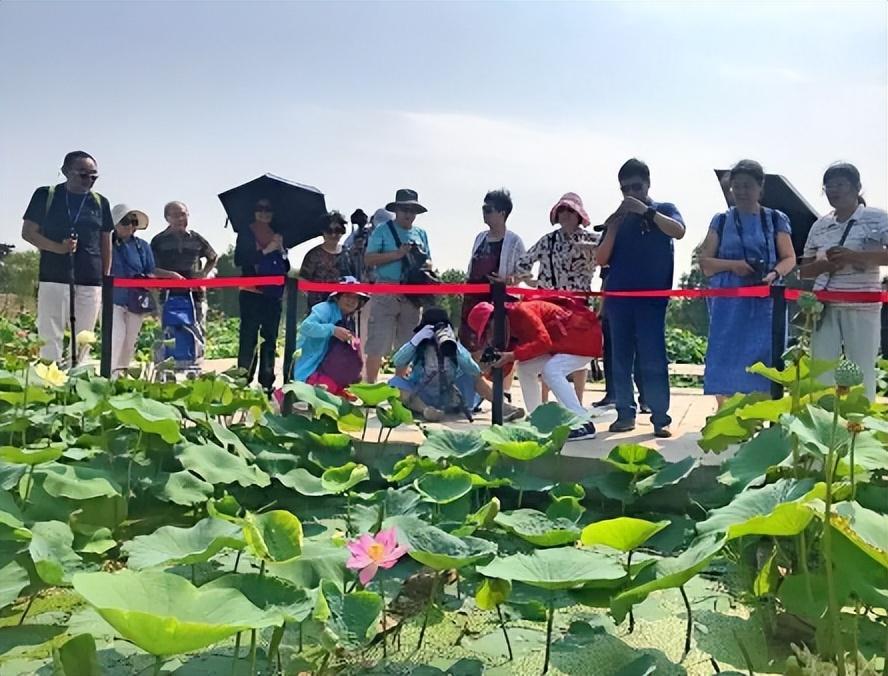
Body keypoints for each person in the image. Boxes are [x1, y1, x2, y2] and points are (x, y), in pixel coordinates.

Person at [595, 159, 686, 438]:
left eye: (637, 186)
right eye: (626, 189)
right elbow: (601, 258)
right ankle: (625, 413)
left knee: (653, 358)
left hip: (651, 300)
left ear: (648, 184)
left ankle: (661, 417)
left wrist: (646, 212)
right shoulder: (618, 219)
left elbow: (679, 231)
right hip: (619, 300)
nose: (631, 193)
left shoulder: (664, 209)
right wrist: (613, 225)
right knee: (620, 358)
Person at [698, 160, 796, 405]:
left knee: (764, 358)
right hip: (728, 302)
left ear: (760, 187)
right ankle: (726, 414)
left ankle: (760, 415)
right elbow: (706, 262)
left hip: (765, 302)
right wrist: (734, 265)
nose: (741, 192)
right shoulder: (720, 220)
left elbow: (789, 257)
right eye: (736, 186)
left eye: (747, 186)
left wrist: (774, 273)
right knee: (725, 356)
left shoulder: (776, 219)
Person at [799, 162, 888, 400]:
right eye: (828, 187)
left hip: (862, 307)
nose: (834, 191)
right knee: (821, 370)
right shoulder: (820, 225)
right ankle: (822, 423)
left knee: (861, 370)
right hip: (824, 308)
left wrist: (855, 257)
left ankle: (858, 427)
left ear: (857, 187)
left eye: (840, 185)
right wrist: (824, 266)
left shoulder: (877, 218)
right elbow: (804, 271)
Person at [21, 150, 114, 365]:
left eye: (94, 176)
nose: (88, 180)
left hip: (90, 278)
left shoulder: (100, 202)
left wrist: (105, 275)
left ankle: (75, 379)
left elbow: (105, 240)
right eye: (83, 174)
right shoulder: (46, 194)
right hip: (54, 274)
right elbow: (28, 232)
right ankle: (49, 379)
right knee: (50, 332)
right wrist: (57, 248)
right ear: (65, 171)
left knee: (84, 336)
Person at [467, 298, 601, 440]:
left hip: (583, 340)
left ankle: (583, 422)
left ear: (496, 317)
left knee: (552, 371)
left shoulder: (521, 312)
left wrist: (512, 355)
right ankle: (537, 421)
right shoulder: (510, 325)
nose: (490, 333)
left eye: (488, 328)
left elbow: (544, 342)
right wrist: (491, 366)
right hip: (564, 344)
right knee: (525, 368)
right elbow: (513, 362)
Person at [516, 192, 597, 404]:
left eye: (570, 210)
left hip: (578, 309)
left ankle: (575, 405)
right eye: (562, 210)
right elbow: (523, 262)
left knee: (576, 359)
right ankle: (545, 405)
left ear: (579, 214)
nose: (565, 215)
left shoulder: (592, 239)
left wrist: (592, 252)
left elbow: (612, 256)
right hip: (550, 308)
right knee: (549, 355)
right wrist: (530, 280)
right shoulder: (548, 240)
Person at [390, 307, 524, 422]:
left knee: (474, 378)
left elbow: (474, 370)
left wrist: (454, 345)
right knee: (395, 383)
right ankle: (426, 411)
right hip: (422, 395)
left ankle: (502, 407)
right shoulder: (418, 346)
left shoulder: (452, 344)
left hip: (450, 395)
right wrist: (416, 341)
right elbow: (398, 361)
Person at [363, 189, 433, 383]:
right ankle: (370, 387)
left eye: (413, 210)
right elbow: (368, 259)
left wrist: (420, 261)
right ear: (397, 210)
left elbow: (429, 262)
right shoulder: (382, 230)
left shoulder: (421, 234)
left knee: (408, 344)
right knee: (378, 341)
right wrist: (398, 254)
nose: (409, 214)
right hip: (386, 289)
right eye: (405, 209)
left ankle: (400, 386)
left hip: (412, 293)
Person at [109, 204, 181, 374]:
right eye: (126, 221)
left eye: (134, 222)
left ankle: (121, 374)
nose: (131, 226)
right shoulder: (106, 243)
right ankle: (109, 375)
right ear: (115, 223)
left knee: (130, 340)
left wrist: (169, 275)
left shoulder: (143, 246)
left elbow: (150, 270)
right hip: (113, 298)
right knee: (115, 338)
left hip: (136, 299)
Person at [459, 189, 526, 352]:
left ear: (502, 213)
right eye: (483, 209)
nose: (484, 213)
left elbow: (524, 272)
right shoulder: (480, 237)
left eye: (488, 210)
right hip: (473, 298)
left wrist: (507, 280)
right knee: (470, 343)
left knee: (500, 344)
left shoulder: (514, 241)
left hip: (499, 299)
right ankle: (474, 377)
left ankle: (501, 378)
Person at [234, 199, 289, 393]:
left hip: (273, 294)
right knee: (248, 336)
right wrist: (267, 250)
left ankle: (267, 382)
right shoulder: (246, 232)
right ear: (254, 212)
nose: (264, 213)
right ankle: (243, 379)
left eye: (268, 209)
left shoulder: (278, 233)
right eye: (260, 209)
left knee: (270, 338)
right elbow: (240, 260)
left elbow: (285, 267)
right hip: (251, 292)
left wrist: (281, 250)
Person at [150, 201, 217, 342]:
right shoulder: (158, 241)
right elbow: (151, 268)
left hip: (195, 293)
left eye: (183, 215)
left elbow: (213, 256)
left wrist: (204, 273)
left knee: (197, 330)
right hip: (168, 295)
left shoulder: (196, 238)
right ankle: (170, 363)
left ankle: (196, 361)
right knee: (169, 333)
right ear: (167, 218)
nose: (180, 219)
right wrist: (170, 275)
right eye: (175, 215)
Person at [294, 277, 368, 395]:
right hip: (310, 367)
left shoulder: (349, 319)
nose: (351, 301)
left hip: (329, 369)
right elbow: (306, 327)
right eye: (347, 296)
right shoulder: (324, 309)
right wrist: (332, 330)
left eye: (355, 298)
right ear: (337, 297)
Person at [300, 211, 348, 309]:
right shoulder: (313, 255)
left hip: (342, 307)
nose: (334, 234)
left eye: (338, 230)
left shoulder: (348, 254)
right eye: (329, 231)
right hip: (318, 308)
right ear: (323, 232)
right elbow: (303, 281)